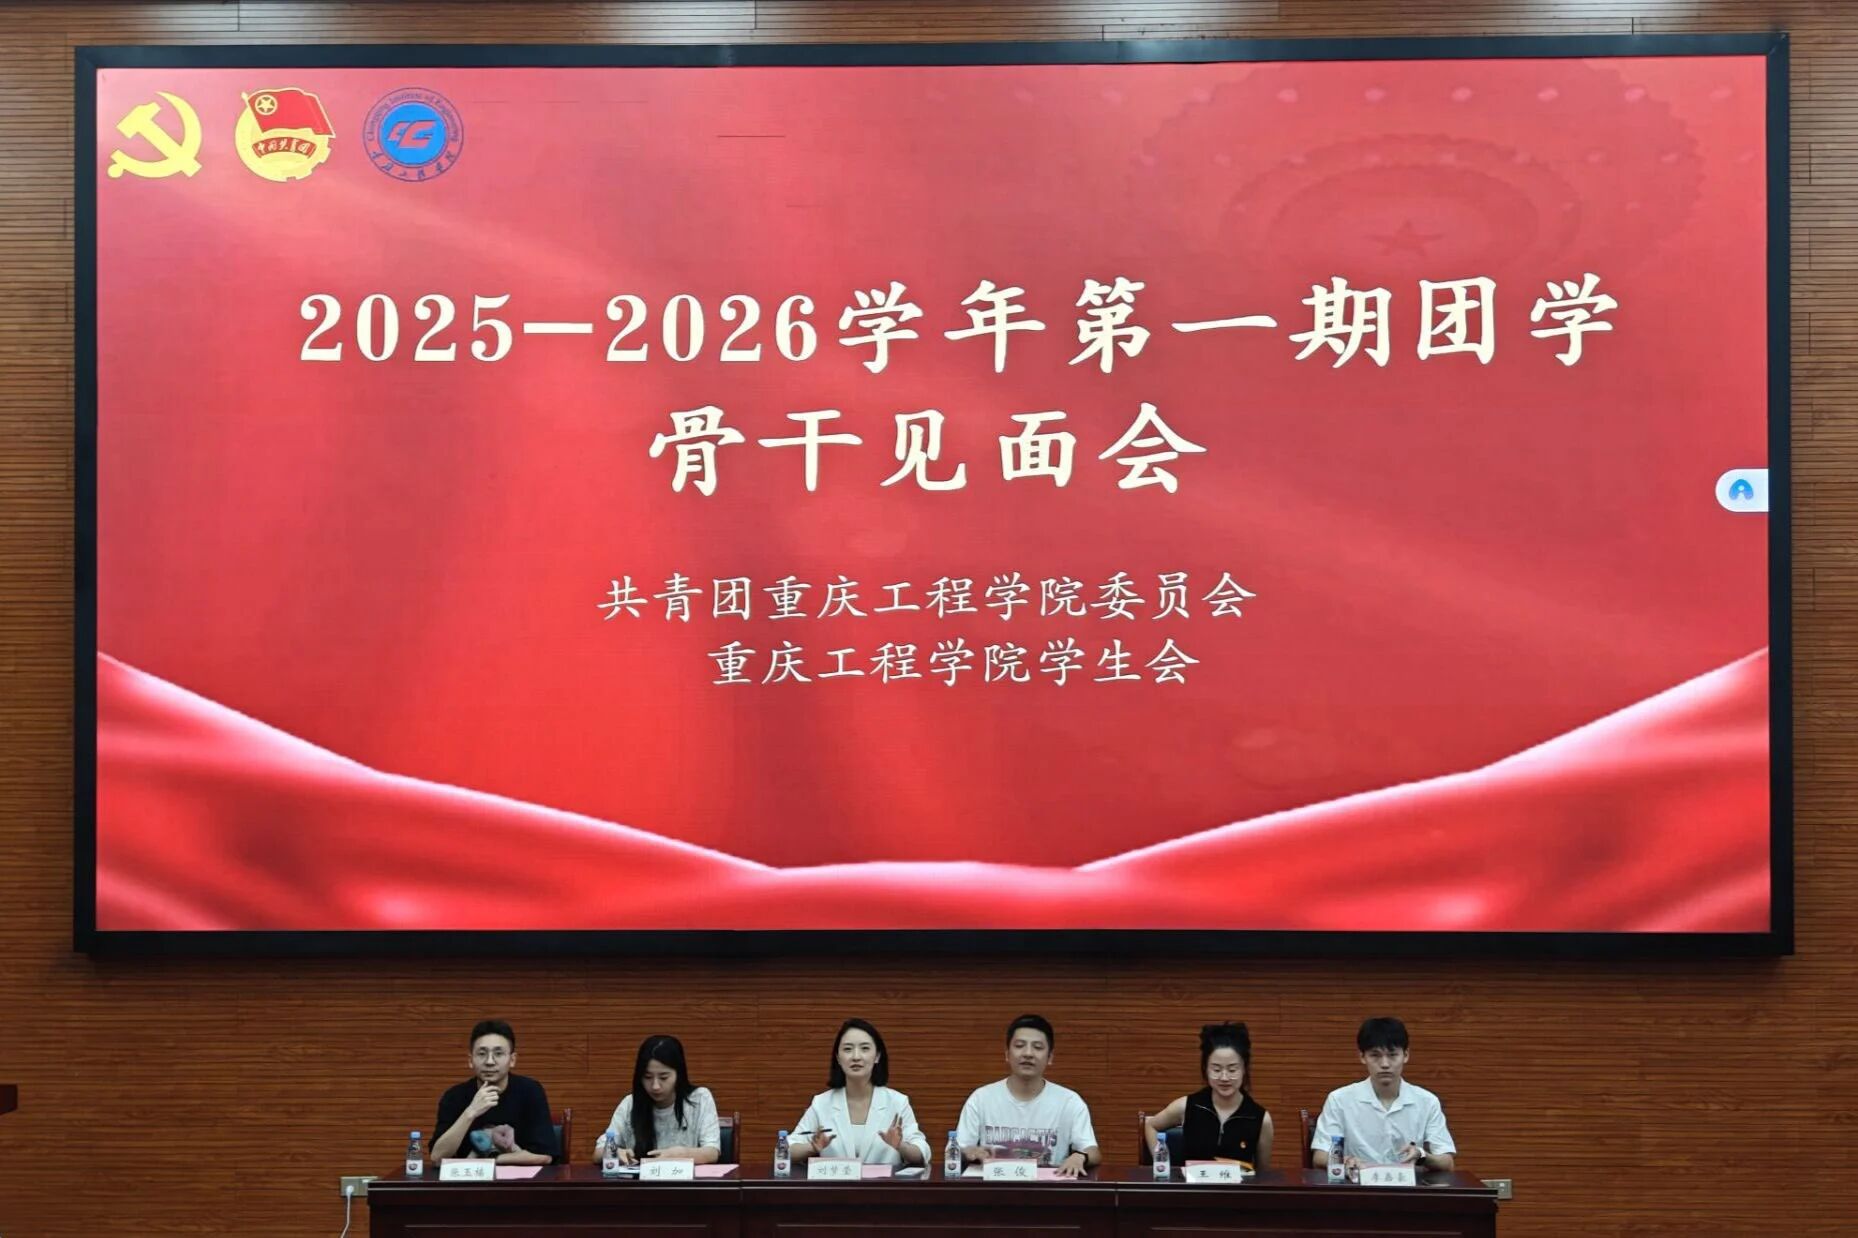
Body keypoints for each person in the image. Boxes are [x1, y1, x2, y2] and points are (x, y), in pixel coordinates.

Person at [955, 1013, 1100, 1179]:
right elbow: (954, 1151)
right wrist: (968, 1152)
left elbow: (1092, 1151)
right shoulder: (981, 1099)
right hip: (994, 1188)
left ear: (1050, 1057)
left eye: (1038, 1047)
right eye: (1019, 1045)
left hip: (1049, 1189)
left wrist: (1080, 1156)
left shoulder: (1069, 1102)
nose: (1028, 1053)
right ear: (1007, 1054)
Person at [1311, 1017, 1456, 1172]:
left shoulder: (1427, 1101)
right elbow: (1320, 1156)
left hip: (1409, 1185)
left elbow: (1447, 1162)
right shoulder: (1339, 1099)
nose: (1385, 1064)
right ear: (1362, 1057)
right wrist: (1346, 1160)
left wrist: (1422, 1156)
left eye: (1392, 1055)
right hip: (1357, 1183)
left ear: (1406, 1055)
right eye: (1375, 1055)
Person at [786, 1018, 932, 1167]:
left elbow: (922, 1152)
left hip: (884, 1182)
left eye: (865, 1048)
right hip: (836, 1182)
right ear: (838, 1058)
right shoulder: (822, 1103)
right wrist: (812, 1147)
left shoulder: (897, 1102)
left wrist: (900, 1146)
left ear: (877, 1056)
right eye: (848, 1049)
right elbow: (787, 1149)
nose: (856, 1056)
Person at [1142, 1021, 1273, 1168]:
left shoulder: (1260, 1118)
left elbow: (1262, 1174)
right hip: (1192, 1183)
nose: (1224, 1077)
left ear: (1244, 1069)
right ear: (1205, 1068)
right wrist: (1162, 1164)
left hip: (1238, 1184)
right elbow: (1151, 1126)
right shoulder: (1188, 1106)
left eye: (1232, 1070)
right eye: (1216, 1069)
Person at [430, 1019, 558, 1164]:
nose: (490, 1061)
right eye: (482, 1053)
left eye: (498, 1053)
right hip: (471, 1178)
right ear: (470, 1060)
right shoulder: (454, 1096)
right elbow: (437, 1157)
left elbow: (545, 1156)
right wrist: (471, 1112)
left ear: (512, 1060)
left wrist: (490, 1161)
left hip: (518, 1178)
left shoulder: (530, 1091)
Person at [597, 1034, 722, 1164]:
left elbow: (712, 1152)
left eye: (663, 1077)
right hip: (641, 1177)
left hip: (684, 1177)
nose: (655, 1086)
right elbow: (599, 1150)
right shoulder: (630, 1104)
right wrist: (614, 1152)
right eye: (648, 1077)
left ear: (679, 1074)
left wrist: (682, 1154)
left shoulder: (700, 1099)